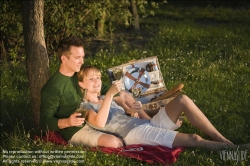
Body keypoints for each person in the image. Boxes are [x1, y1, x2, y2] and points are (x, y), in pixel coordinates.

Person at [77, 65, 249, 150]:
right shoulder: (84, 107)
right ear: (81, 84)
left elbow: (132, 109)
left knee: (183, 99)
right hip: (134, 134)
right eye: (91, 79)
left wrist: (136, 110)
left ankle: (221, 139)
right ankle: (235, 150)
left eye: (98, 78)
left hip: (146, 124)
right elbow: (99, 123)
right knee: (193, 139)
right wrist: (108, 96)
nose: (97, 82)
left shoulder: (109, 99)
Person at [40, 36, 135, 148]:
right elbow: (44, 121)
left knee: (126, 98)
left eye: (82, 57)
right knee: (115, 143)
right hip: (76, 129)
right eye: (77, 58)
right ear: (64, 58)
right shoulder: (53, 87)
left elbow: (103, 87)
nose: (82, 61)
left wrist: (123, 103)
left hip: (95, 117)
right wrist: (68, 122)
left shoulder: (79, 74)